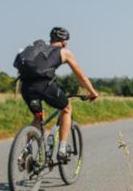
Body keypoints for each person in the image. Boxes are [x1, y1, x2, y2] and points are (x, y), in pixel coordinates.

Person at [17, 27, 99, 161]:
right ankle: (62, 148)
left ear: (51, 39)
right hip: (45, 86)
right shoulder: (64, 52)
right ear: (65, 42)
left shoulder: (38, 50)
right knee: (66, 108)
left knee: (38, 117)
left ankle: (27, 149)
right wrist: (92, 92)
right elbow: (81, 77)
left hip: (26, 87)